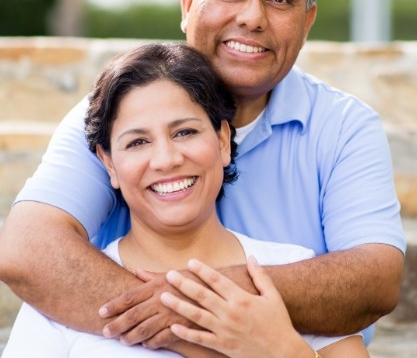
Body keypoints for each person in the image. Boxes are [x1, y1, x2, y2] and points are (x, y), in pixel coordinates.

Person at [0, 0, 405, 353]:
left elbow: (375, 279)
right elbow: (27, 249)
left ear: (307, 21)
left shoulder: (344, 128)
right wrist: (204, 331)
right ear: (189, 5)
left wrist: (201, 309)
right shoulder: (115, 112)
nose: (252, 17)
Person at [3, 42, 369, 357]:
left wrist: (281, 350)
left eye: (184, 132)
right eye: (138, 142)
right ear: (109, 164)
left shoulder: (292, 270)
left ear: (223, 141)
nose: (166, 159)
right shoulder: (61, 296)